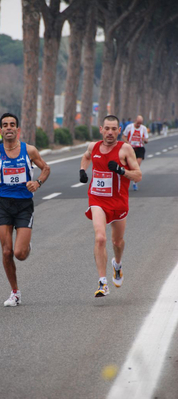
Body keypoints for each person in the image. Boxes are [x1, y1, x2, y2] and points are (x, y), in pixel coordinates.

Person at [0, 113, 50, 307]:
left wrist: (37, 183)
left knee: (19, 253)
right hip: (2, 204)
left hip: (23, 205)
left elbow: (46, 168)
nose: (9, 127)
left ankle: (26, 246)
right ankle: (15, 293)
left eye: (12, 124)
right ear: (1, 130)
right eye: (5, 125)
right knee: (6, 252)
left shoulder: (29, 150)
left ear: (18, 129)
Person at [79, 115, 142, 298]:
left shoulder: (125, 149)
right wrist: (83, 170)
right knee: (100, 238)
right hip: (97, 199)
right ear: (101, 129)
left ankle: (118, 264)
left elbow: (138, 176)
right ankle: (102, 282)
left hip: (118, 201)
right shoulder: (94, 146)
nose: (110, 132)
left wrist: (122, 171)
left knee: (117, 242)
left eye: (114, 129)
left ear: (119, 130)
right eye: (107, 128)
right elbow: (86, 156)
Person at [122, 115, 148, 191]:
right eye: (138, 123)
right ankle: (125, 181)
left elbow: (146, 140)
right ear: (135, 120)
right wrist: (127, 143)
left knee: (137, 165)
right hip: (131, 148)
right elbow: (123, 136)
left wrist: (144, 140)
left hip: (140, 148)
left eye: (140, 123)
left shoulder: (143, 128)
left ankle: (134, 183)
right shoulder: (129, 127)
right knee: (128, 166)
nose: (139, 125)